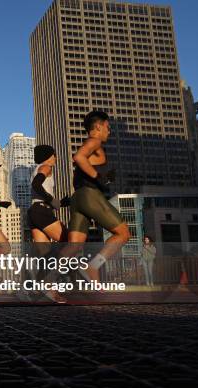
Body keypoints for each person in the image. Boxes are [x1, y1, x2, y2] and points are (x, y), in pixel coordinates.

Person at [67, 111, 130, 282]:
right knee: (123, 234)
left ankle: (45, 282)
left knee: (73, 247)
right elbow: (78, 157)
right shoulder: (94, 141)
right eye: (108, 127)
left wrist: (104, 177)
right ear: (98, 126)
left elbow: (81, 165)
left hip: (78, 197)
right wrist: (98, 177)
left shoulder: (93, 145)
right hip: (89, 195)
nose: (109, 131)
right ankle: (93, 266)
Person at [28, 145, 69, 303]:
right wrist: (51, 200)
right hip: (41, 212)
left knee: (45, 255)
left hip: (33, 212)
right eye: (55, 154)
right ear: (49, 156)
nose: (56, 157)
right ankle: (47, 282)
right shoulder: (45, 167)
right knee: (69, 243)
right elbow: (36, 186)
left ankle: (46, 290)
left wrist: (61, 202)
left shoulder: (38, 168)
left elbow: (40, 193)